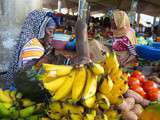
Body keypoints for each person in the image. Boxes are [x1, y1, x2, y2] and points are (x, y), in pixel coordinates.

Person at [0, 9, 63, 89]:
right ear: (39, 29)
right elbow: (30, 79)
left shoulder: (30, 42)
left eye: (53, 32)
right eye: (50, 31)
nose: (52, 35)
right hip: (20, 91)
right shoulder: (34, 48)